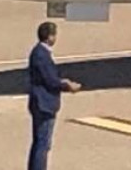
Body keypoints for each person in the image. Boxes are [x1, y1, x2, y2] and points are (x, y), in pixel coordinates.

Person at [28, 22, 81, 170]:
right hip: (44, 104)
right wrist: (67, 85)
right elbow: (50, 81)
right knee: (43, 143)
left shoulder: (39, 52)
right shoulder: (42, 55)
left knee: (39, 141)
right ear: (50, 36)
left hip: (40, 102)